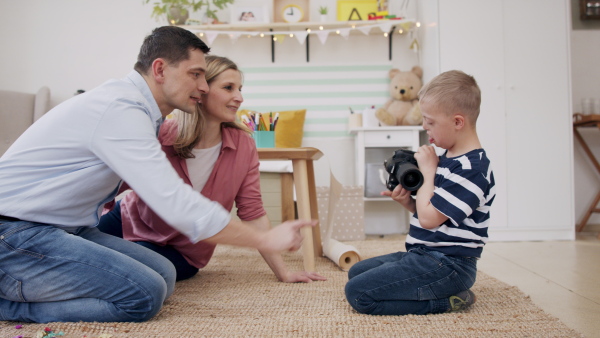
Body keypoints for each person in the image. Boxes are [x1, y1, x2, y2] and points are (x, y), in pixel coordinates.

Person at [0, 26, 315, 323]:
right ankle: (10, 304)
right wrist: (263, 238)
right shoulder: (123, 110)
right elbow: (174, 201)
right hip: (17, 230)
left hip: (67, 227)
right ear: (161, 69)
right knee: (144, 296)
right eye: (196, 75)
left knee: (164, 274)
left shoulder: (145, 114)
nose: (203, 88)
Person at [98, 55, 326, 283]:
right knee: (70, 245)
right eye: (228, 88)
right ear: (201, 90)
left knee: (130, 271)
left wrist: (283, 273)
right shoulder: (161, 133)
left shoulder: (243, 145)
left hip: (182, 252)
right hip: (128, 220)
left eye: (239, 89)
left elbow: (252, 211)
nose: (239, 97)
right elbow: (113, 182)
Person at [344, 70, 495, 315]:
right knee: (356, 272)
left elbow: (429, 219)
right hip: (424, 254)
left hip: (450, 266)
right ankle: (426, 287)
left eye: (430, 121)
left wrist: (428, 168)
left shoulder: (472, 168)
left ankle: (449, 300)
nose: (425, 127)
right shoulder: (447, 158)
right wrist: (409, 203)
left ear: (458, 122)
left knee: (358, 294)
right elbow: (436, 214)